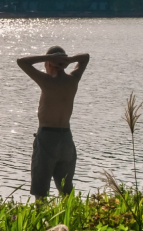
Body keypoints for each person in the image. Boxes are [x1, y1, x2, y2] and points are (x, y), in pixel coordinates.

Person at [16, 45, 90, 198]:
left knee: (40, 190)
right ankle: (69, 218)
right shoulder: (73, 80)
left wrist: (49, 58)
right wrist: (68, 60)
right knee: (66, 190)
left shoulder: (46, 81)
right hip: (66, 139)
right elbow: (85, 57)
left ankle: (40, 219)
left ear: (49, 64)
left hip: (47, 138)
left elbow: (22, 62)